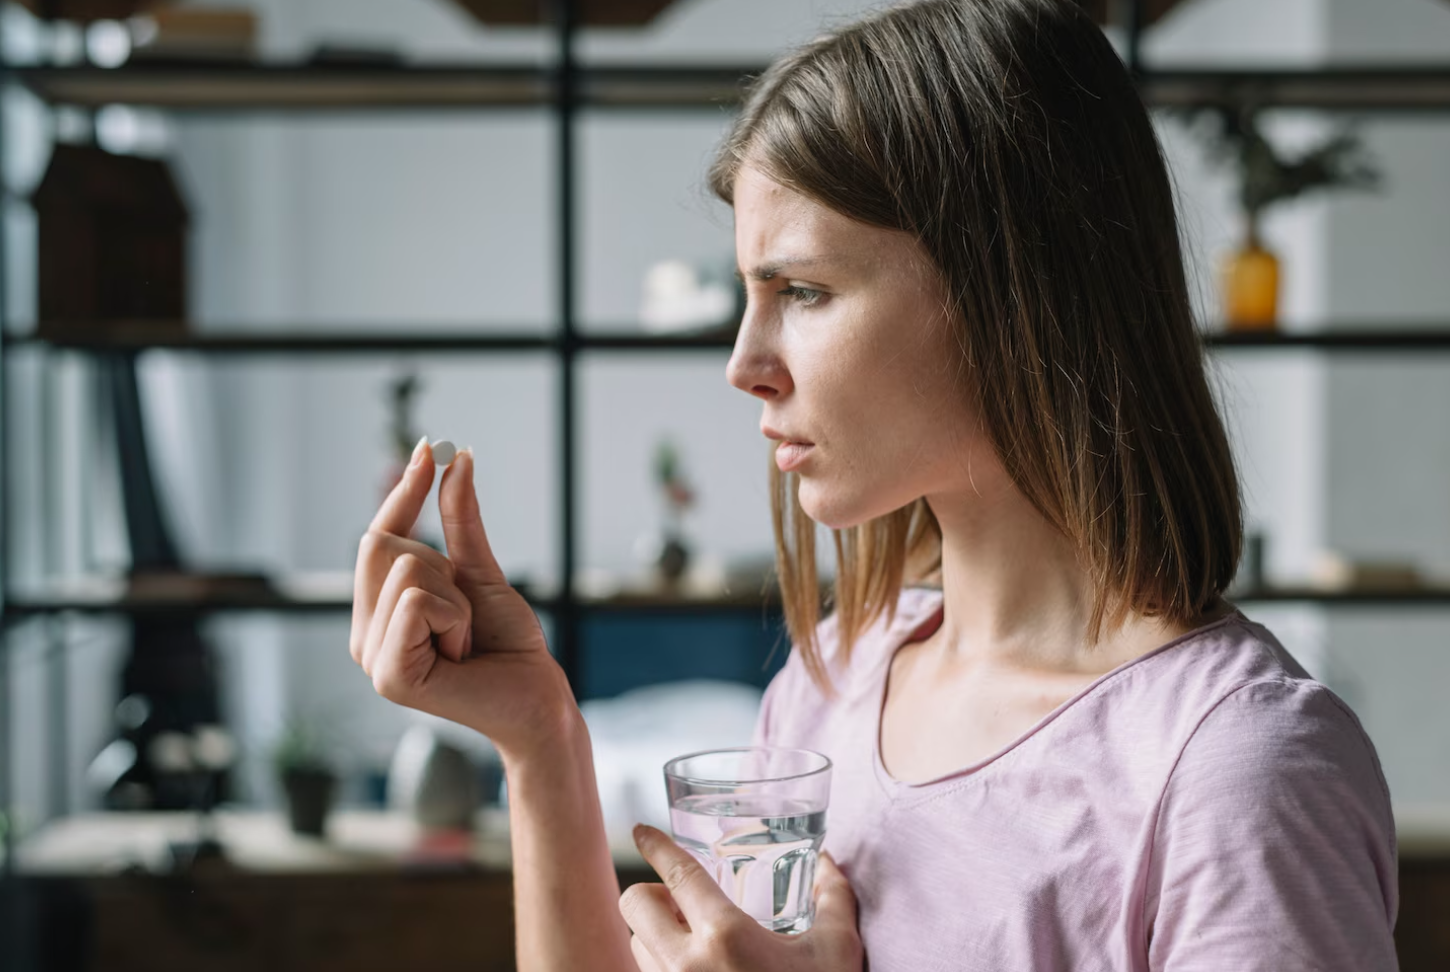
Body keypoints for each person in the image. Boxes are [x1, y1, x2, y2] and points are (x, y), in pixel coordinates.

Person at [348, 0, 1399, 968]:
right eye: (747, 295)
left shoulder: (1236, 768)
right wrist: (538, 735)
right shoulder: (833, 685)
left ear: (1011, 293)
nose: (743, 361)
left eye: (802, 289)